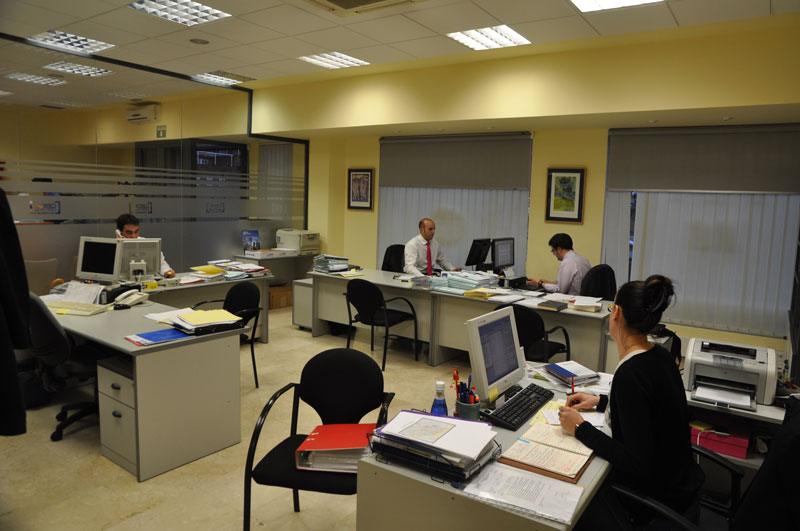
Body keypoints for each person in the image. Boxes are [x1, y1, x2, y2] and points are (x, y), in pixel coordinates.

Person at [558, 275, 704, 528]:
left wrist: (580, 428)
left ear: (616, 313)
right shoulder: (660, 356)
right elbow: (650, 411)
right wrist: (601, 402)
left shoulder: (630, 374)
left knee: (571, 497)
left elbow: (636, 464)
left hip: (652, 504)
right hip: (680, 488)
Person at [115, 213, 175, 278]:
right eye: (129, 232)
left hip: (148, 281)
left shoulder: (148, 244)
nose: (134, 236)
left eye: (136, 232)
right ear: (119, 232)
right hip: (123, 282)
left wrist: (166, 271)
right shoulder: (113, 247)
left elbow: (161, 264)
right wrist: (119, 246)